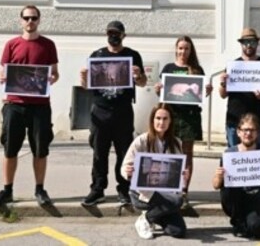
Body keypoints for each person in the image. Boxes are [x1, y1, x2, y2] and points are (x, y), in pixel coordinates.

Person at [0, 5, 60, 207]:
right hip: (14, 105)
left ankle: (39, 189)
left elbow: (55, 73)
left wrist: (48, 80)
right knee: (10, 149)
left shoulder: (48, 45)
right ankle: (7, 190)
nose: (30, 22)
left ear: (39, 20)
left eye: (34, 18)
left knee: (40, 150)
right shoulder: (11, 44)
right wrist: (3, 77)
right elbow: (1, 72)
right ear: (21, 20)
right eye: (26, 18)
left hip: (40, 106)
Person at [80, 20, 147, 207]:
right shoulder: (97, 55)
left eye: (117, 33)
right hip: (100, 110)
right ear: (106, 34)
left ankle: (124, 189)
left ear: (123, 35)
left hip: (123, 110)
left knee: (124, 152)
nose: (113, 36)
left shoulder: (132, 56)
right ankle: (97, 189)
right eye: (110, 33)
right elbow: (87, 86)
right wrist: (83, 78)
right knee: (99, 152)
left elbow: (142, 82)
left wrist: (138, 75)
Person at [154, 36, 212, 212]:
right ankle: (168, 189)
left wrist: (207, 91)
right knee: (169, 152)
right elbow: (163, 94)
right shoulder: (168, 69)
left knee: (187, 154)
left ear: (191, 50)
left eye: (186, 49)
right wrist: (158, 90)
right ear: (176, 49)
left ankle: (184, 191)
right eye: (180, 48)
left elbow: (199, 95)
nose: (183, 52)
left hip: (190, 117)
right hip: (171, 116)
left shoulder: (196, 69)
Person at [212, 113, 260, 239]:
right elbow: (215, 185)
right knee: (226, 186)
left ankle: (250, 222)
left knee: (257, 230)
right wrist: (218, 176)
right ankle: (238, 220)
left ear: (257, 133)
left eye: (252, 130)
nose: (248, 133)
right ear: (238, 132)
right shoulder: (230, 154)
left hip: (257, 198)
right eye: (245, 130)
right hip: (235, 198)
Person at [121, 104, 188, 239]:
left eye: (165, 119)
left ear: (170, 121)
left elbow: (178, 173)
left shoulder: (176, 143)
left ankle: (151, 216)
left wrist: (182, 176)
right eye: (158, 118)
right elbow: (125, 167)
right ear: (152, 120)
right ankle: (145, 219)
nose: (161, 122)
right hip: (142, 193)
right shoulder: (141, 141)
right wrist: (128, 171)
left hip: (165, 193)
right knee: (177, 201)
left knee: (178, 231)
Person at [218, 28, 260, 148]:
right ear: (241, 44)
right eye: (245, 42)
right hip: (234, 121)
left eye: (252, 42)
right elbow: (223, 95)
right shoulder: (233, 65)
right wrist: (222, 83)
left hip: (257, 122)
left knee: (258, 158)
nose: (249, 45)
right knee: (233, 157)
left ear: (257, 43)